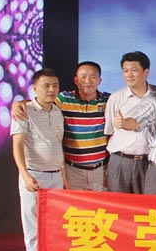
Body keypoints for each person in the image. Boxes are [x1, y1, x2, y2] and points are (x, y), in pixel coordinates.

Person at [12, 61, 111, 192]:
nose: (88, 81)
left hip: (101, 170)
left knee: (100, 204)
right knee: (74, 204)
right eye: (83, 76)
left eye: (93, 77)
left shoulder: (108, 100)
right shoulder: (63, 99)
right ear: (76, 80)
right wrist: (19, 103)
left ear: (99, 80)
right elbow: (43, 100)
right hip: (73, 170)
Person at [11, 69, 65, 251]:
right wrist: (25, 175)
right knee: (34, 231)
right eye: (46, 86)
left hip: (56, 177)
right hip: (35, 176)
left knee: (55, 230)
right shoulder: (25, 111)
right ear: (35, 88)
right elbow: (17, 146)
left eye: (55, 85)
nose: (51, 90)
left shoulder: (58, 111)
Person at [104, 51, 156, 194]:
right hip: (121, 161)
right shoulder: (116, 98)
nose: (129, 75)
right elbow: (109, 132)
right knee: (118, 204)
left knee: (146, 204)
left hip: (149, 162)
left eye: (134, 70)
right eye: (125, 71)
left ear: (146, 72)